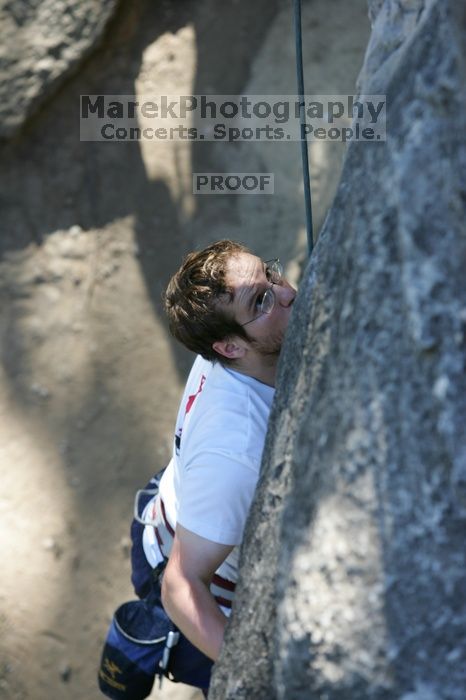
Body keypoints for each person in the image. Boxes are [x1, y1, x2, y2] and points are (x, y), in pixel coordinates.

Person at [132, 239, 296, 674]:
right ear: (230, 348)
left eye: (271, 273)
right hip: (198, 586)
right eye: (261, 300)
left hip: (190, 507)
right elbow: (181, 586)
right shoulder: (237, 450)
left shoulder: (246, 354)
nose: (287, 293)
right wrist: (253, 679)